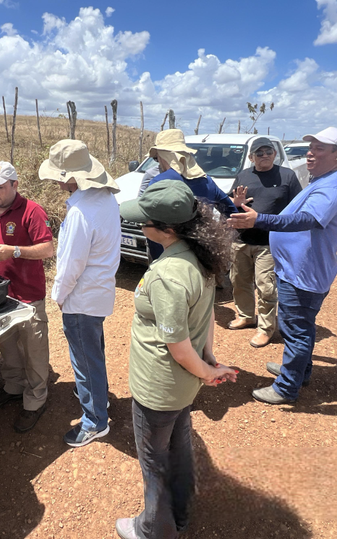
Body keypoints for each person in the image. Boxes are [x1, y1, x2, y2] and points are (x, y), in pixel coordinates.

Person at [115, 180, 237, 539]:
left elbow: (178, 346)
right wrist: (209, 361)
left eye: (145, 220)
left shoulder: (168, 274)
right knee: (179, 449)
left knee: (155, 462)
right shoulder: (197, 254)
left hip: (160, 387)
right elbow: (205, 316)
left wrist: (206, 371)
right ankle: (181, 514)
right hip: (181, 386)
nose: (140, 225)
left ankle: (154, 528)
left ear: (166, 228)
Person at [227, 127, 337, 404]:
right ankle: (298, 371)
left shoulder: (333, 186)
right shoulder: (326, 179)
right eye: (311, 147)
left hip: (304, 272)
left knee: (296, 330)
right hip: (298, 269)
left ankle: (286, 387)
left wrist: (259, 220)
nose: (310, 153)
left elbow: (307, 219)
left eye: (319, 148)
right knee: (301, 327)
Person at [38, 139, 121, 447]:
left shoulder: (79, 213)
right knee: (92, 353)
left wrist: (58, 295)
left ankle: (95, 420)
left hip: (82, 297)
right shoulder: (106, 199)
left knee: (84, 360)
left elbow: (70, 264)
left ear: (69, 177)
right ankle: (98, 398)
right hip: (98, 292)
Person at [0, 161, 54, 433]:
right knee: (7, 346)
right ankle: (14, 387)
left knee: (34, 350)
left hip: (28, 294)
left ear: (15, 185)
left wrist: (14, 251)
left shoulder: (32, 211)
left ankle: (36, 399)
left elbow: (48, 249)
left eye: (0, 187)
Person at [228, 137, 302, 349]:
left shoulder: (287, 176)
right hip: (241, 240)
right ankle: (245, 316)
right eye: (259, 153)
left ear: (275, 154)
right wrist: (236, 203)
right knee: (239, 281)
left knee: (266, 287)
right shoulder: (243, 175)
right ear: (251, 157)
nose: (265, 155)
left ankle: (265, 328)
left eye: (268, 151)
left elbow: (297, 208)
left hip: (269, 242)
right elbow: (230, 203)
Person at [144, 129, 238, 260]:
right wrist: (218, 238)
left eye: (156, 158)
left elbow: (150, 223)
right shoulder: (207, 181)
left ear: (163, 156)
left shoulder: (159, 182)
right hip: (201, 254)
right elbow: (232, 213)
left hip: (168, 256)